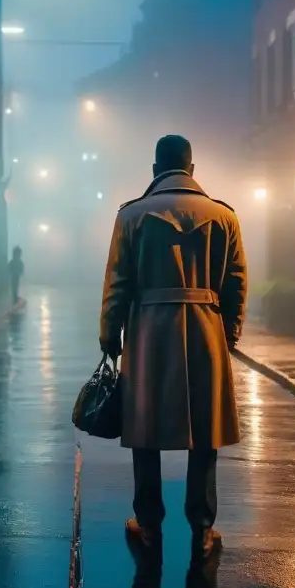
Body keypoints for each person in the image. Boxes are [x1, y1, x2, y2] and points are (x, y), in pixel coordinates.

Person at [99, 134, 246, 558]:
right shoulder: (224, 217)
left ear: (154, 170)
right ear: (192, 169)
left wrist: (110, 335)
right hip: (206, 328)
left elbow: (118, 283)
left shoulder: (132, 216)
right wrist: (229, 333)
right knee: (205, 433)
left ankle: (148, 524)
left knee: (144, 428)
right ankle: (202, 528)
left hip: (148, 331)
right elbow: (236, 283)